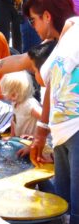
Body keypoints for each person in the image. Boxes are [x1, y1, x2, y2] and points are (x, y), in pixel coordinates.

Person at [31, 17, 79, 224]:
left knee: (76, 209)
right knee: (61, 205)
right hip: (60, 130)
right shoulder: (71, 25)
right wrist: (42, 130)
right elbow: (50, 78)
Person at [0, 71, 42, 157]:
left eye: (8, 93)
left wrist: (36, 139)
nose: (6, 96)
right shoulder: (16, 102)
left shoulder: (29, 104)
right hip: (19, 140)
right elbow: (13, 120)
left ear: (15, 93)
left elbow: (45, 119)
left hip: (30, 142)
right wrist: (12, 136)